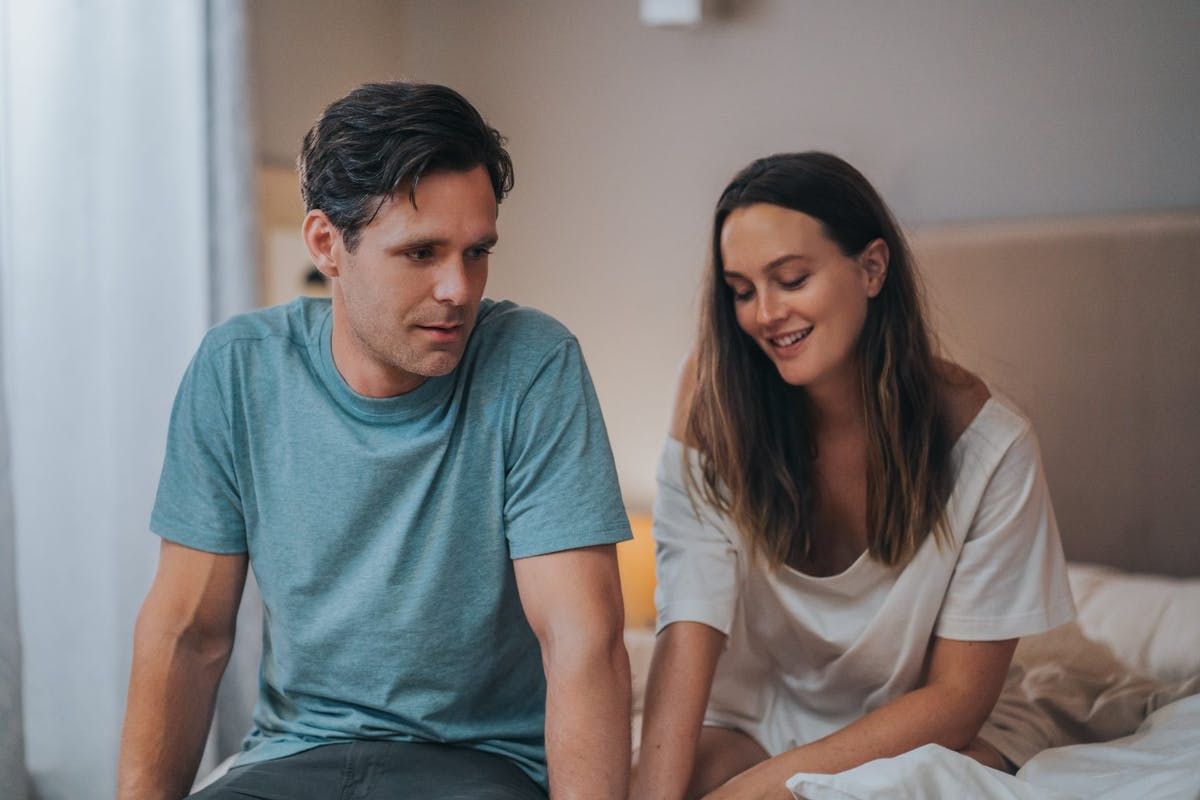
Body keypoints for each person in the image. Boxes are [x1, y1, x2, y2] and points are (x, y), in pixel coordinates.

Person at [117, 81, 633, 800]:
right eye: (422, 253)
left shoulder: (532, 365)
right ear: (327, 243)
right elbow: (187, 632)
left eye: (477, 251)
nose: (459, 288)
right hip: (293, 762)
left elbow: (584, 641)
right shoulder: (239, 369)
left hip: (480, 768)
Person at [630, 152, 1075, 800]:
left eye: (790, 278)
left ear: (871, 268)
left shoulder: (989, 447)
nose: (765, 314)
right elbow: (689, 619)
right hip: (760, 715)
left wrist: (753, 794)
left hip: (923, 727)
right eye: (743, 290)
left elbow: (954, 700)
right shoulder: (716, 398)